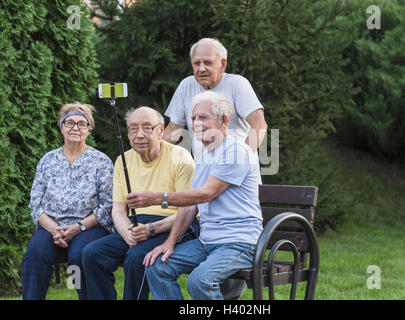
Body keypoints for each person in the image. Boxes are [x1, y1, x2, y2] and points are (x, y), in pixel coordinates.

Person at [136, 91, 262, 300]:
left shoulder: (236, 152)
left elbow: (206, 194)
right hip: (207, 240)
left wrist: (159, 197)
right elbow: (190, 205)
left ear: (223, 120)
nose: (196, 123)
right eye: (193, 118)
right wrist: (170, 242)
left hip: (239, 241)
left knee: (199, 281)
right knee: (158, 267)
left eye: (203, 117)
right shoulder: (205, 155)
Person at [82, 107, 196, 300]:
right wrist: (128, 234)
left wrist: (151, 229)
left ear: (160, 131)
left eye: (147, 128)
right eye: (133, 129)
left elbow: (189, 208)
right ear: (127, 134)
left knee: (136, 258)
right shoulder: (122, 160)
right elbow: (118, 210)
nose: (139, 135)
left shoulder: (180, 157)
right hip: (136, 226)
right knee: (92, 253)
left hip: (175, 224)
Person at [22, 102, 114, 300]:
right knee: (35, 254)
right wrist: (54, 229)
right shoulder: (47, 160)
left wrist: (78, 227)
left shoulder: (101, 161)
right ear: (61, 127)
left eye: (82, 123)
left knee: (79, 256)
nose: (75, 128)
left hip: (89, 226)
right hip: (51, 227)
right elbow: (35, 203)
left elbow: (108, 205)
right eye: (70, 122)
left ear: (89, 129)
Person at [163, 37, 267, 159]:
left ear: (222, 64)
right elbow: (173, 131)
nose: (201, 69)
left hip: (235, 169)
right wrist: (153, 161)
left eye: (208, 63)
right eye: (197, 63)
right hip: (203, 168)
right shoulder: (186, 85)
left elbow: (259, 124)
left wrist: (241, 160)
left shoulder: (237, 84)